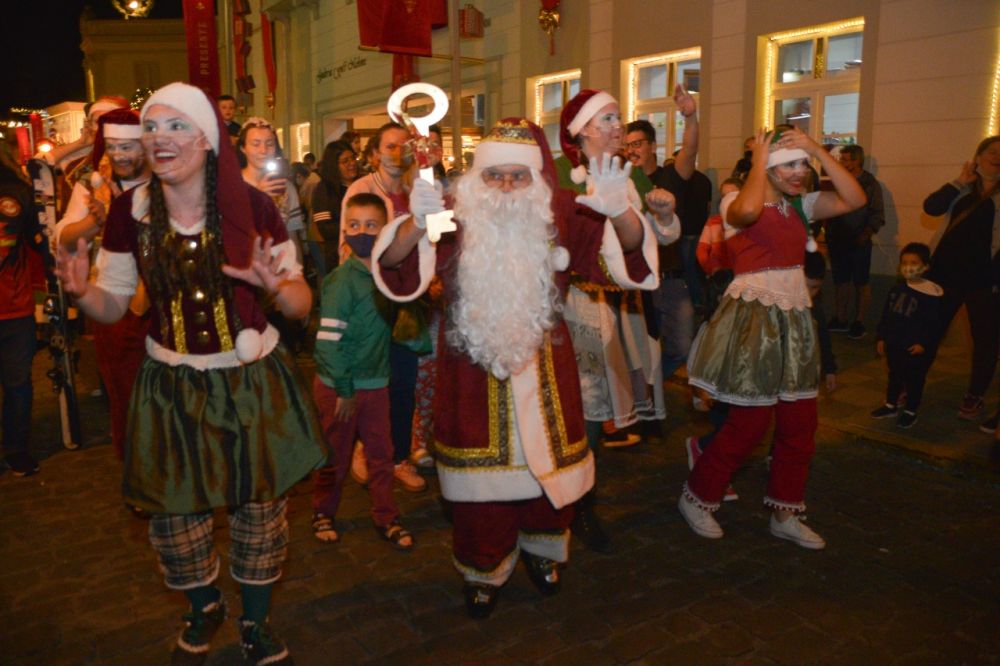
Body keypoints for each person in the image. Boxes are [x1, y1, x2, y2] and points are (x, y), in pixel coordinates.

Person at [54, 82, 326, 665]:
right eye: (153, 127)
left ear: (206, 138)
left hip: (251, 380)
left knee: (259, 515)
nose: (160, 138)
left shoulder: (253, 206)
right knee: (176, 518)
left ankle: (255, 622)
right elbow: (115, 301)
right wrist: (83, 295)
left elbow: (301, 303)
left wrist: (279, 288)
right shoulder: (131, 213)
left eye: (177, 126)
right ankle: (204, 605)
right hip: (173, 384)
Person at [373, 117, 658, 617]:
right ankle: (483, 569)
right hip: (470, 374)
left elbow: (627, 259)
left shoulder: (564, 212)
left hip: (547, 370)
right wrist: (413, 223)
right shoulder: (451, 213)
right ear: (475, 179)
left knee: (550, 484)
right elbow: (395, 267)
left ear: (537, 180)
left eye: (518, 176)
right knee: (478, 498)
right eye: (494, 175)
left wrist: (621, 212)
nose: (506, 186)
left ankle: (544, 551)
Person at [678, 127, 865, 550]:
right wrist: (761, 163)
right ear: (766, 168)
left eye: (802, 164)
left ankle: (786, 510)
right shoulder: (736, 200)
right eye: (788, 165)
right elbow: (744, 214)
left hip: (796, 321)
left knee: (801, 424)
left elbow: (856, 199)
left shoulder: (803, 205)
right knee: (748, 423)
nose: (799, 172)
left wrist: (817, 149)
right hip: (754, 323)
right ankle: (699, 496)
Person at [555, 88, 679, 551]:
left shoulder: (631, 176)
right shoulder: (566, 178)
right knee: (575, 405)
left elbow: (654, 239)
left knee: (597, 407)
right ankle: (564, 503)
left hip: (620, 304)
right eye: (607, 119)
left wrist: (664, 217)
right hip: (574, 304)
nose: (618, 129)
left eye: (619, 119)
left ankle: (582, 501)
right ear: (583, 129)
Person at [311, 193, 415, 550]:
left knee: (381, 455)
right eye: (353, 225)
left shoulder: (387, 276)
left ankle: (386, 515)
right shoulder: (342, 281)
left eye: (371, 225)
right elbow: (327, 342)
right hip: (341, 388)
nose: (362, 232)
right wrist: (344, 388)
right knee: (334, 458)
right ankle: (323, 511)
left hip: (376, 384)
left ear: (385, 229)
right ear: (343, 231)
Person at [55, 108, 153, 469]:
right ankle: (139, 475)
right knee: (126, 396)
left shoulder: (164, 181)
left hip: (162, 307)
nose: (122, 153)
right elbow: (63, 237)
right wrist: (94, 221)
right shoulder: (90, 185)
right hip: (115, 308)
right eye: (114, 145)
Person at [341, 122, 427, 493]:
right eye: (389, 147)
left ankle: (398, 458)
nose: (396, 154)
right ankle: (363, 447)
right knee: (371, 378)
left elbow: (434, 235)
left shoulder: (415, 190)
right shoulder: (361, 190)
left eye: (402, 147)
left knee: (404, 380)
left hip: (410, 298)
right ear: (374, 153)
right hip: (371, 299)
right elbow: (349, 244)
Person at [922, 136, 1000, 425]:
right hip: (944, 276)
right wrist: (958, 181)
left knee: (985, 342)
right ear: (978, 157)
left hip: (985, 282)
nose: (997, 157)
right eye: (991, 151)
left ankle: (975, 395)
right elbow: (931, 207)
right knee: (929, 334)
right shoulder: (962, 188)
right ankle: (910, 384)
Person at [624, 85, 700, 379]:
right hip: (636, 280)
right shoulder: (622, 183)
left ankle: (653, 383)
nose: (632, 150)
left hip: (669, 277)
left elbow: (690, 152)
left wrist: (691, 117)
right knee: (639, 346)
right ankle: (644, 395)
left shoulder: (669, 176)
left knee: (681, 344)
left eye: (638, 143)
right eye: (627, 145)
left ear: (652, 146)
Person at [0, 137, 41, 477]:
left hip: (13, 308)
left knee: (17, 383)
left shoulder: (16, 191)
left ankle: (16, 448)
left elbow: (36, 240)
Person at [871, 243, 942, 429]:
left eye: (914, 262)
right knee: (894, 375)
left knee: (914, 380)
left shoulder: (931, 295)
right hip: (895, 344)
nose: (908, 266)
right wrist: (881, 337)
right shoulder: (896, 290)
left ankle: (911, 410)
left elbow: (935, 325)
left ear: (926, 266)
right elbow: (886, 316)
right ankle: (890, 404)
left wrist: (923, 343)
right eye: (904, 262)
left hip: (915, 348)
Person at [824, 144, 885, 339]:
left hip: (859, 240)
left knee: (861, 282)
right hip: (837, 239)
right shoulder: (837, 181)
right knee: (840, 281)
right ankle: (841, 319)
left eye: (848, 160)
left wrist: (866, 234)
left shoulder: (870, 183)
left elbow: (877, 213)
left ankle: (859, 322)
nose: (844, 163)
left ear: (858, 160)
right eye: (842, 160)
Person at [238, 117, 305, 263]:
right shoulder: (233, 185)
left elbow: (292, 235)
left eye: (270, 144)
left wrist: (297, 271)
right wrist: (257, 197)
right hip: (246, 264)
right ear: (243, 148)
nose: (263, 150)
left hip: (280, 265)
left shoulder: (285, 187)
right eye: (256, 144)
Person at [309, 140, 357, 280]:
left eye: (353, 158)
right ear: (334, 165)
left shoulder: (362, 184)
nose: (352, 164)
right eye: (345, 161)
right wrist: (356, 227)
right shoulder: (324, 190)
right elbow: (325, 229)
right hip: (338, 255)